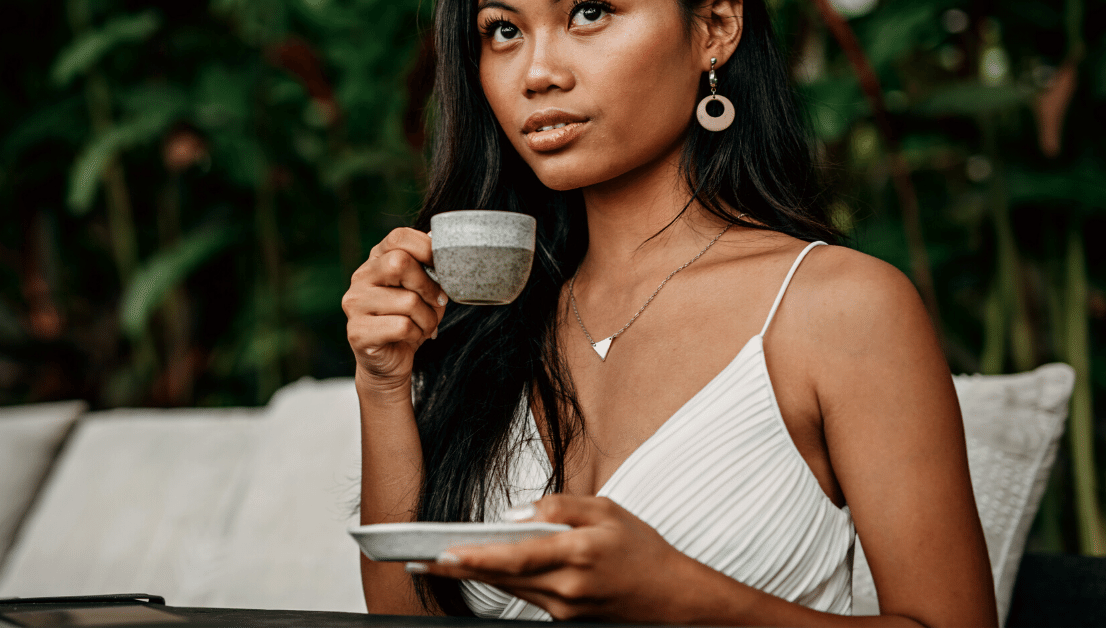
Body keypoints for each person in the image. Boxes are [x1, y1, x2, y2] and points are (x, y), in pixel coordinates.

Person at [341, 0, 998, 624]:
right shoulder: (492, 318)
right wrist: (383, 384)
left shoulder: (838, 306)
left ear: (714, 25)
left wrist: (684, 596)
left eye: (590, 12)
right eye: (503, 30)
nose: (537, 73)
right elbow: (409, 618)